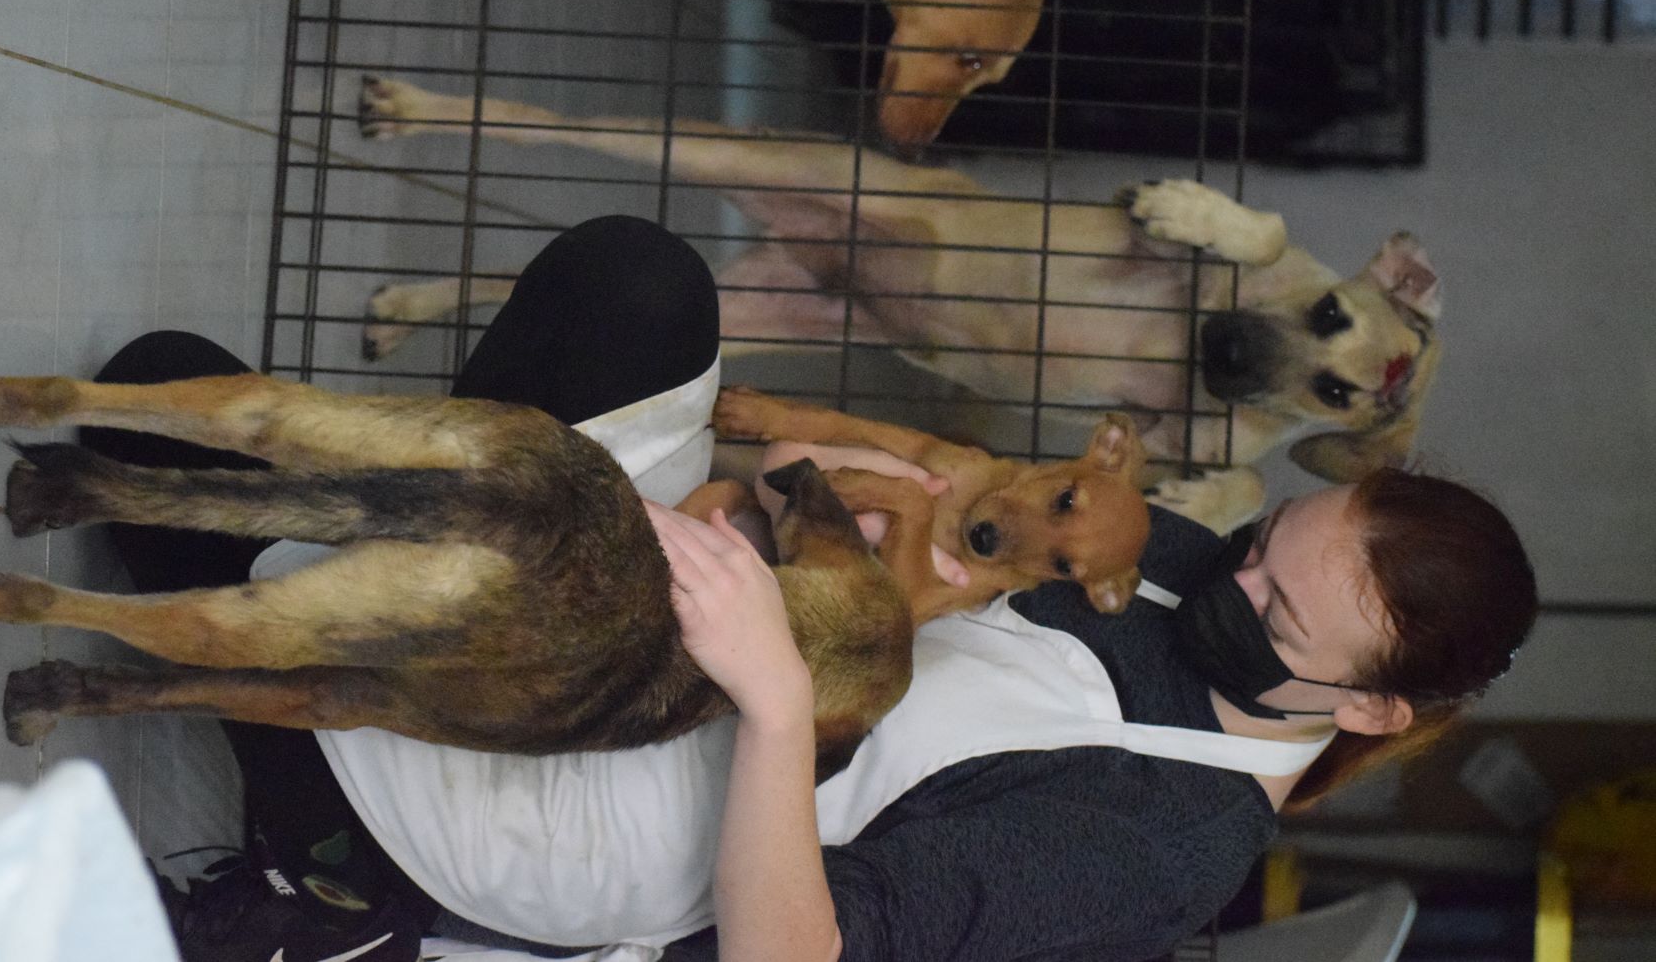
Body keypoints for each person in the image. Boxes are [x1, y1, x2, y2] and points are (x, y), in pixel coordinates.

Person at [90, 217, 1538, 962]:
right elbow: (910, 530)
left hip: (607, 819)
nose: (1222, 576)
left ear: (1363, 700)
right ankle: (375, 608)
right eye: (1263, 533)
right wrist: (821, 489)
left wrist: (775, 707)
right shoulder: (1164, 553)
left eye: (1274, 615)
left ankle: (338, 836)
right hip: (640, 618)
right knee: (633, 285)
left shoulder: (1158, 844)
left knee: (147, 418)